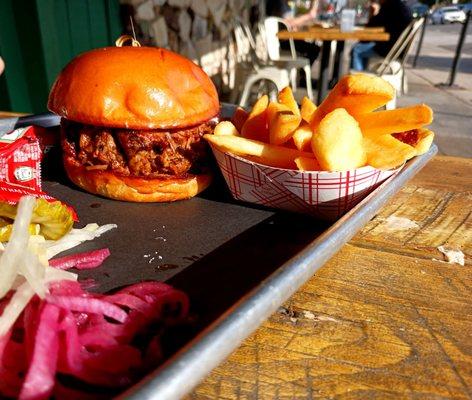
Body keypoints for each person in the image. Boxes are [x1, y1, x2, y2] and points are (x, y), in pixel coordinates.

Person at [350, 0, 412, 71]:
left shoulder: (389, 6)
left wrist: (372, 12)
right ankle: (362, 75)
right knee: (361, 46)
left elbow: (372, 25)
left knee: (356, 50)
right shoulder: (401, 6)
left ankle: (358, 79)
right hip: (399, 49)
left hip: (389, 49)